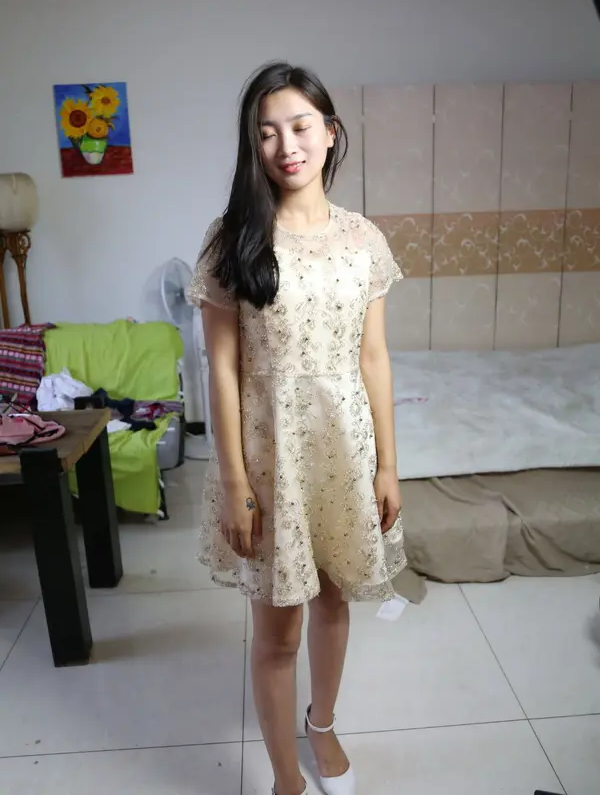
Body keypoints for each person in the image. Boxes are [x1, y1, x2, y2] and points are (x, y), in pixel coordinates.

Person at [188, 61, 406, 795]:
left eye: (301, 126)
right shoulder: (232, 241)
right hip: (268, 456)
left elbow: (373, 357)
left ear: (330, 132)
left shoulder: (363, 239)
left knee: (334, 598)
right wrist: (234, 484)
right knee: (279, 627)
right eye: (267, 132)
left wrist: (387, 465)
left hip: (343, 450)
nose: (287, 146)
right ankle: (287, 777)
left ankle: (323, 723)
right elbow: (222, 371)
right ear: (252, 144)